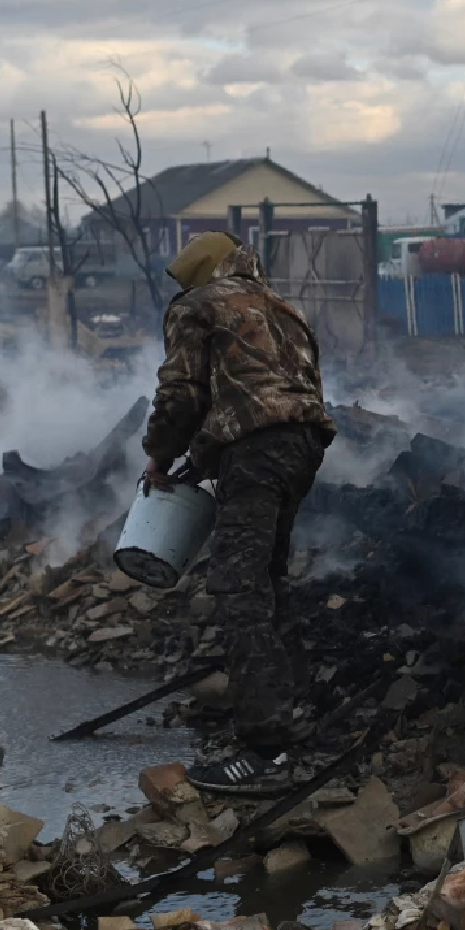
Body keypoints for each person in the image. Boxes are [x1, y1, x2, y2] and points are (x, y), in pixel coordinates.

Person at [140, 231, 337, 793]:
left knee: (238, 586)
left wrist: (160, 456)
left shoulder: (196, 306)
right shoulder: (283, 308)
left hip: (256, 452)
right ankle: (297, 715)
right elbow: (280, 392)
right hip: (304, 447)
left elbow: (182, 396)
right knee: (267, 578)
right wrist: (204, 458)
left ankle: (265, 750)